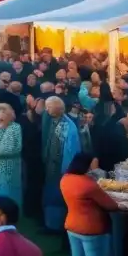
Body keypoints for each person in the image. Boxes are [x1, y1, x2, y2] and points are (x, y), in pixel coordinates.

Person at [60, 152, 119, 256]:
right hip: (93, 229)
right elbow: (112, 205)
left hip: (72, 226)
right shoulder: (89, 185)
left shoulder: (65, 180)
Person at [42, 96, 82, 232]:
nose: (46, 109)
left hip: (61, 168)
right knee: (50, 194)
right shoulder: (53, 121)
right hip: (51, 166)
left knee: (58, 195)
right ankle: (50, 224)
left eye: (49, 106)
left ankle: (56, 226)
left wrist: (66, 169)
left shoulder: (67, 125)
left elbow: (72, 149)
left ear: (58, 108)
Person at [0, 102, 24, 208]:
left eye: (2, 113)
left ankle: (9, 210)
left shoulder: (15, 128)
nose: (0, 117)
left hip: (9, 164)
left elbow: (8, 148)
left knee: (8, 188)